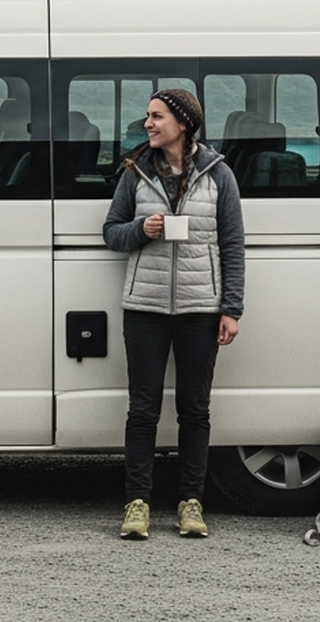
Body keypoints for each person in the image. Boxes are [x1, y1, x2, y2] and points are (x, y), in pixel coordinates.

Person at [102, 88, 245, 540]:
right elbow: (111, 232)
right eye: (147, 115)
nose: (147, 123)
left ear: (183, 123)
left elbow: (233, 245)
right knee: (142, 410)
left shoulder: (218, 174)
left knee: (195, 410)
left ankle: (191, 503)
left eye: (157, 116)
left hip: (200, 308)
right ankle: (137, 503)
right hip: (144, 308)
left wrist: (231, 309)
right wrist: (140, 230)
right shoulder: (135, 172)